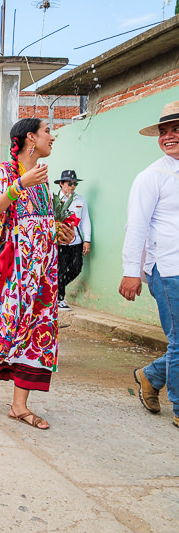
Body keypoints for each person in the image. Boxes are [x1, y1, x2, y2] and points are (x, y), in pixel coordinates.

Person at [0, 118, 75, 430]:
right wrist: (19, 185)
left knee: (38, 334)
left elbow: (37, 225)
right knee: (3, 331)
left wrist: (58, 231)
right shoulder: (2, 172)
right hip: (10, 274)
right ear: (29, 138)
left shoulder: (41, 182)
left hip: (42, 276)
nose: (52, 137)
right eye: (47, 131)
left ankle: (19, 406)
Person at [121, 101, 179, 429]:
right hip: (169, 271)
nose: (168, 137)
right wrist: (132, 271)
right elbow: (137, 226)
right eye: (163, 131)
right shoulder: (151, 177)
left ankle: (151, 374)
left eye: (175, 129)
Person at [55, 170, 92, 310]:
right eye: (69, 183)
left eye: (75, 184)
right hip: (61, 242)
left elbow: (85, 221)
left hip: (76, 242)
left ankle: (57, 287)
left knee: (77, 269)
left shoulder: (80, 200)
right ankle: (60, 300)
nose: (72, 186)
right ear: (61, 184)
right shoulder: (55, 200)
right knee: (61, 269)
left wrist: (87, 240)